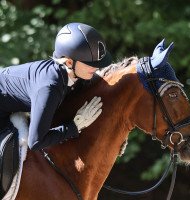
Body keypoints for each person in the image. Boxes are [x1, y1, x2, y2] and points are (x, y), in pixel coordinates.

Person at [0, 22, 112, 151]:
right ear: (69, 62)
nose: (96, 68)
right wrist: (74, 127)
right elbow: (35, 142)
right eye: (90, 64)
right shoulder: (50, 89)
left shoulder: (72, 73)